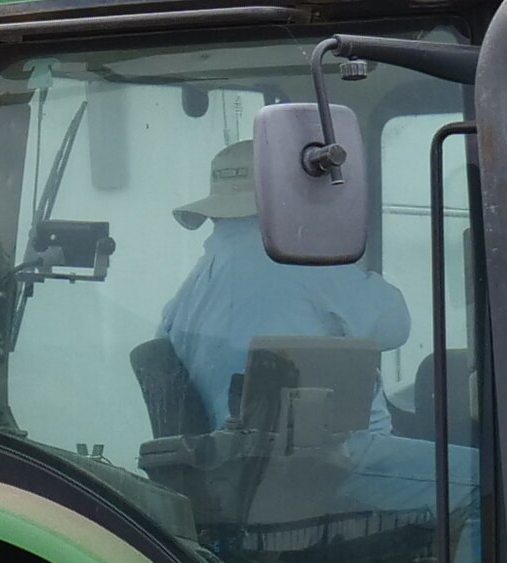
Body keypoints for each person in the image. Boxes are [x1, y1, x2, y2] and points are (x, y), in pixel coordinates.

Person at [157, 138, 412, 431]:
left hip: (231, 450)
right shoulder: (300, 260)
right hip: (334, 450)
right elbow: (395, 326)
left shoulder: (192, 287)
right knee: (454, 459)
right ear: (290, 199)